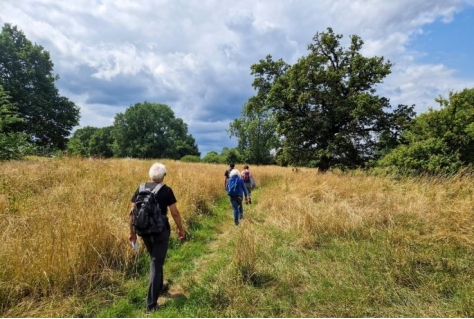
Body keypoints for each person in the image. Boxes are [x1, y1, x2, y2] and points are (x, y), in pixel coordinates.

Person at [128, 162, 186, 313]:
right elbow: (175, 213)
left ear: (150, 175)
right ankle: (151, 304)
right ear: (163, 176)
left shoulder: (140, 188)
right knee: (156, 262)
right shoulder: (166, 190)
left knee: (155, 259)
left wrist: (132, 233)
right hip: (160, 231)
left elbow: (132, 212)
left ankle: (160, 286)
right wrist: (181, 230)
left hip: (144, 230)